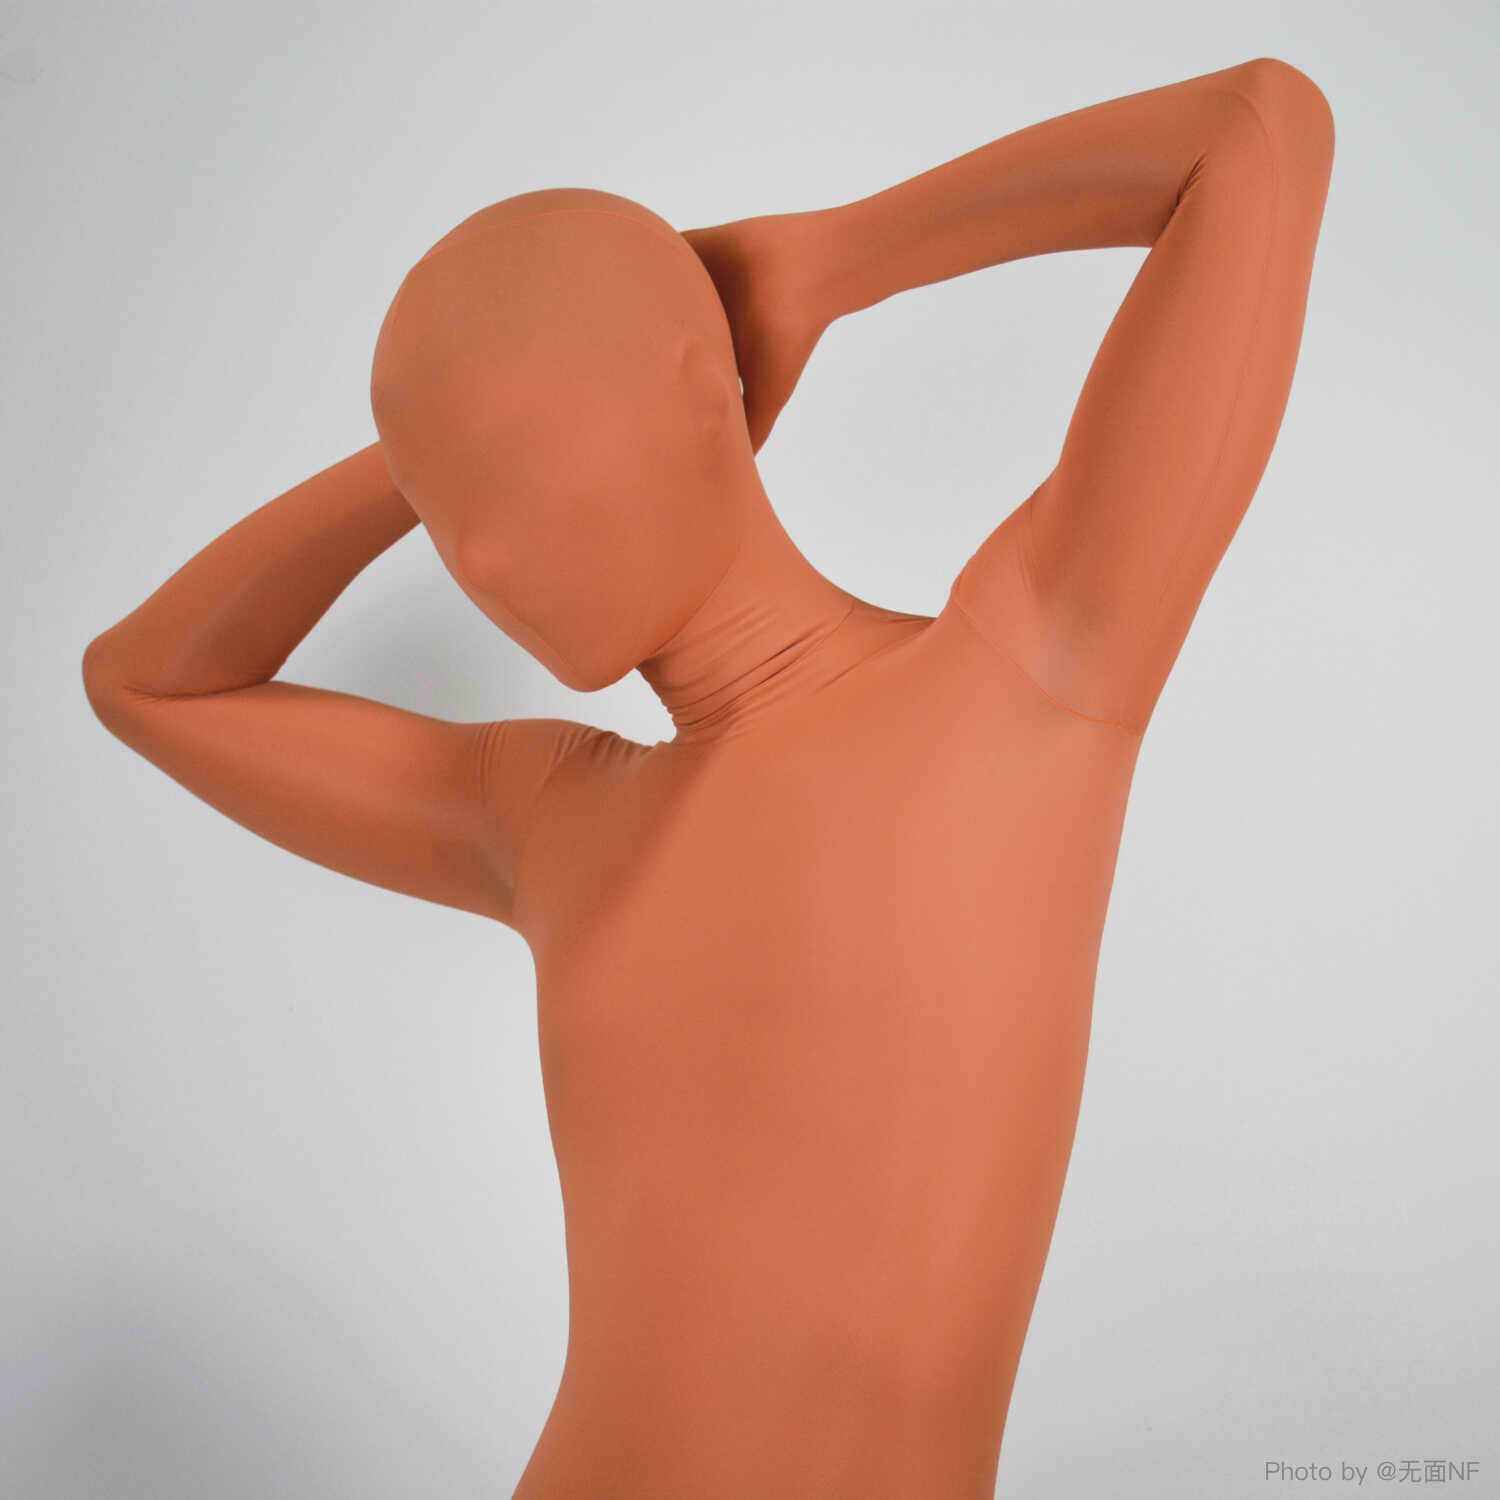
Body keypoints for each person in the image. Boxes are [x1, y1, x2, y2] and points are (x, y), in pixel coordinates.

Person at [82, 54, 1335, 1499]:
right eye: (448, 506)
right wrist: (428, 448)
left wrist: (827, 259)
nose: (478, 554)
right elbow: (145, 683)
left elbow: (1257, 130)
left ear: (696, 387)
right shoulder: (549, 818)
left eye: (519, 466)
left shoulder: (1035, 662)